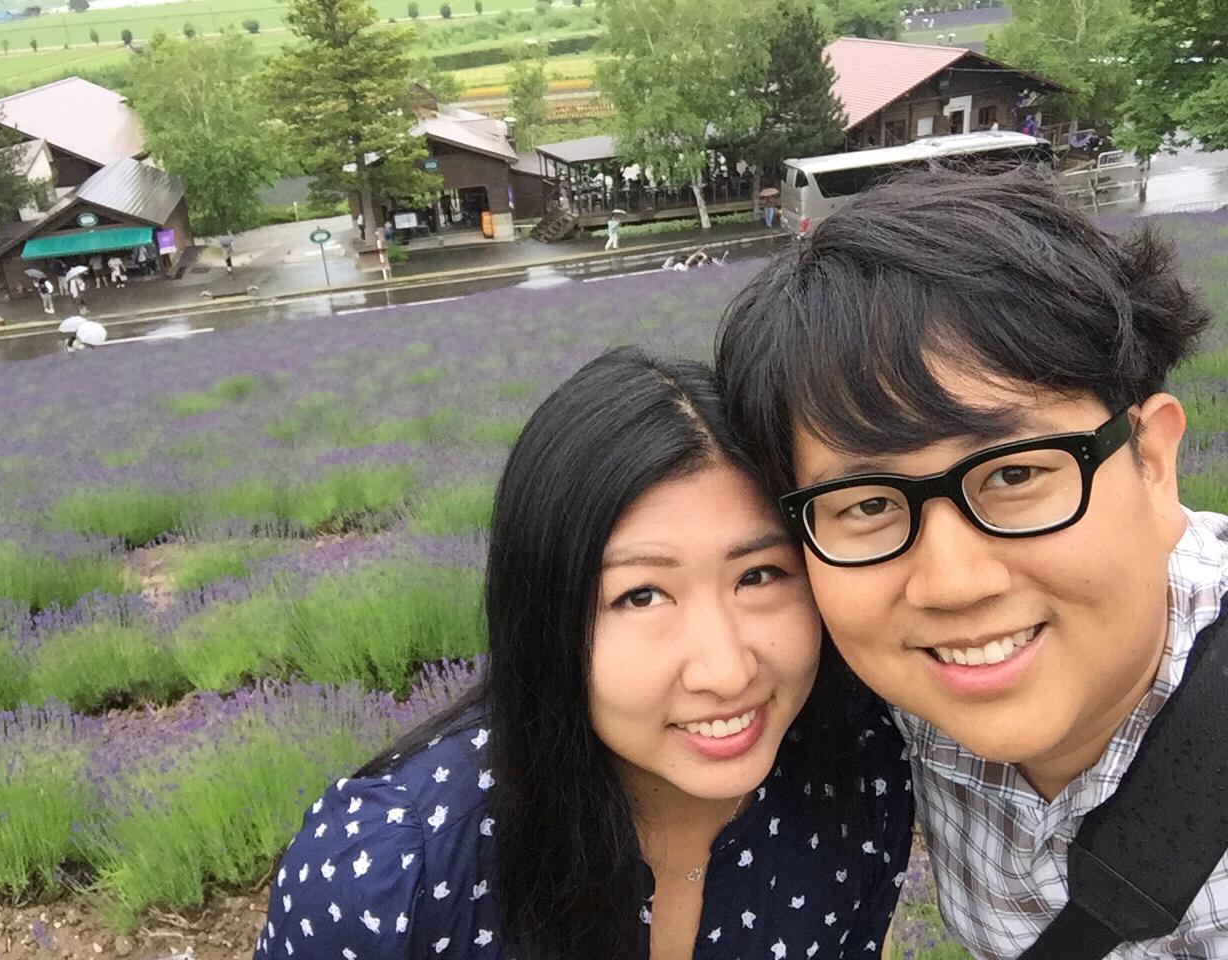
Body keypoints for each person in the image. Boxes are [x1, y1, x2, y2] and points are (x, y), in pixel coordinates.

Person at [716, 167, 1226, 957]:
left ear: (1152, 463)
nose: (953, 584)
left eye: (1016, 475)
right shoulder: (867, 691)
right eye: (869, 504)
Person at [256, 348, 912, 960]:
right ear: (545, 616)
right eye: (642, 595)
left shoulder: (857, 773)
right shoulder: (390, 872)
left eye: (760, 575)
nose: (727, 670)